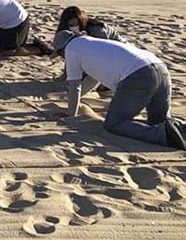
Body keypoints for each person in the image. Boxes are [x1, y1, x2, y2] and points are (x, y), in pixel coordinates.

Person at [51, 30, 186, 150]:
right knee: (160, 121)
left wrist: (70, 113)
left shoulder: (71, 50)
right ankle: (180, 130)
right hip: (160, 67)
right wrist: (75, 99)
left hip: (137, 75)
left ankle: (165, 136)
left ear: (62, 50)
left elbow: (75, 86)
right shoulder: (92, 43)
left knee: (114, 123)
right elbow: (94, 79)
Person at [57, 6, 125, 42]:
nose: (75, 27)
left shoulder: (96, 30)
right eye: (71, 25)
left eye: (77, 24)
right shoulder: (66, 33)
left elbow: (104, 48)